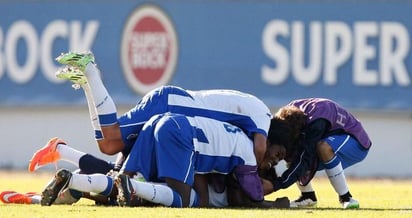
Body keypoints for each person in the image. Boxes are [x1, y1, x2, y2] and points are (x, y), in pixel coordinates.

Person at [49, 51, 271, 167]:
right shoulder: (264, 116)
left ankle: (88, 84)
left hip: (174, 109)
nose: (274, 159)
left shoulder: (253, 109)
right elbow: (260, 149)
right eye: (277, 155)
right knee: (112, 138)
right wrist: (261, 175)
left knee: (108, 146)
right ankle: (90, 71)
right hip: (170, 106)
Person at [40, 113, 287, 208]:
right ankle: (73, 170)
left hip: (162, 122)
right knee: (180, 198)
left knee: (119, 179)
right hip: (180, 135)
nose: (273, 161)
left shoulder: (237, 140)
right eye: (276, 156)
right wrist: (276, 199)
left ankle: (73, 178)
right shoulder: (246, 157)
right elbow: (254, 194)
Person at [268, 98, 372, 209]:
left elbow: (305, 158)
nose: (277, 160)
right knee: (294, 154)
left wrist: (277, 185)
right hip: (328, 133)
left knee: (323, 147)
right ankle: (308, 197)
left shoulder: (316, 122)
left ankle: (347, 198)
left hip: (356, 142)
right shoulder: (284, 119)